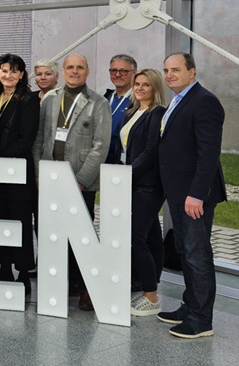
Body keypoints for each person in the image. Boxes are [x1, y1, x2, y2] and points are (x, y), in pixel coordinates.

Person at [32, 53, 111, 311]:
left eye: (79, 67)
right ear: (63, 71)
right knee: (53, 233)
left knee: (82, 237)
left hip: (79, 181)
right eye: (70, 67)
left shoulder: (98, 103)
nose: (74, 71)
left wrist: (81, 181)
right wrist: (38, 173)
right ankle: (65, 281)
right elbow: (39, 139)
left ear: (87, 71)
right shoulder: (50, 99)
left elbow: (100, 147)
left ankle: (88, 286)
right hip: (50, 178)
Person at [157, 52, 226, 339]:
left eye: (176, 69)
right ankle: (190, 307)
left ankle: (201, 320)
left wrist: (197, 194)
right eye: (166, 70)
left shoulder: (204, 101)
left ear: (192, 72)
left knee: (197, 255)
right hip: (178, 192)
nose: (169, 75)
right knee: (185, 251)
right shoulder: (178, 100)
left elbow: (208, 154)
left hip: (194, 196)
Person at [113, 69, 167, 317]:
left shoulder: (157, 112)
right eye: (137, 84)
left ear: (155, 88)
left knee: (136, 239)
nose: (140, 88)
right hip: (133, 182)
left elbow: (151, 150)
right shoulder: (132, 111)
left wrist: (128, 174)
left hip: (148, 185)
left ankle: (151, 296)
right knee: (152, 236)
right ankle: (151, 284)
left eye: (146, 84)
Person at [0, 54, 39, 295]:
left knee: (20, 222)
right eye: (4, 70)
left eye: (14, 71)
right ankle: (4, 268)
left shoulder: (29, 99)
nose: (8, 75)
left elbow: (26, 138)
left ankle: (23, 273)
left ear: (21, 74)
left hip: (17, 171)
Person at [104, 54, 137, 164]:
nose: (118, 75)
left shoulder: (138, 102)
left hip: (124, 163)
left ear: (135, 73)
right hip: (101, 160)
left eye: (124, 71)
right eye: (114, 71)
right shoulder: (105, 98)